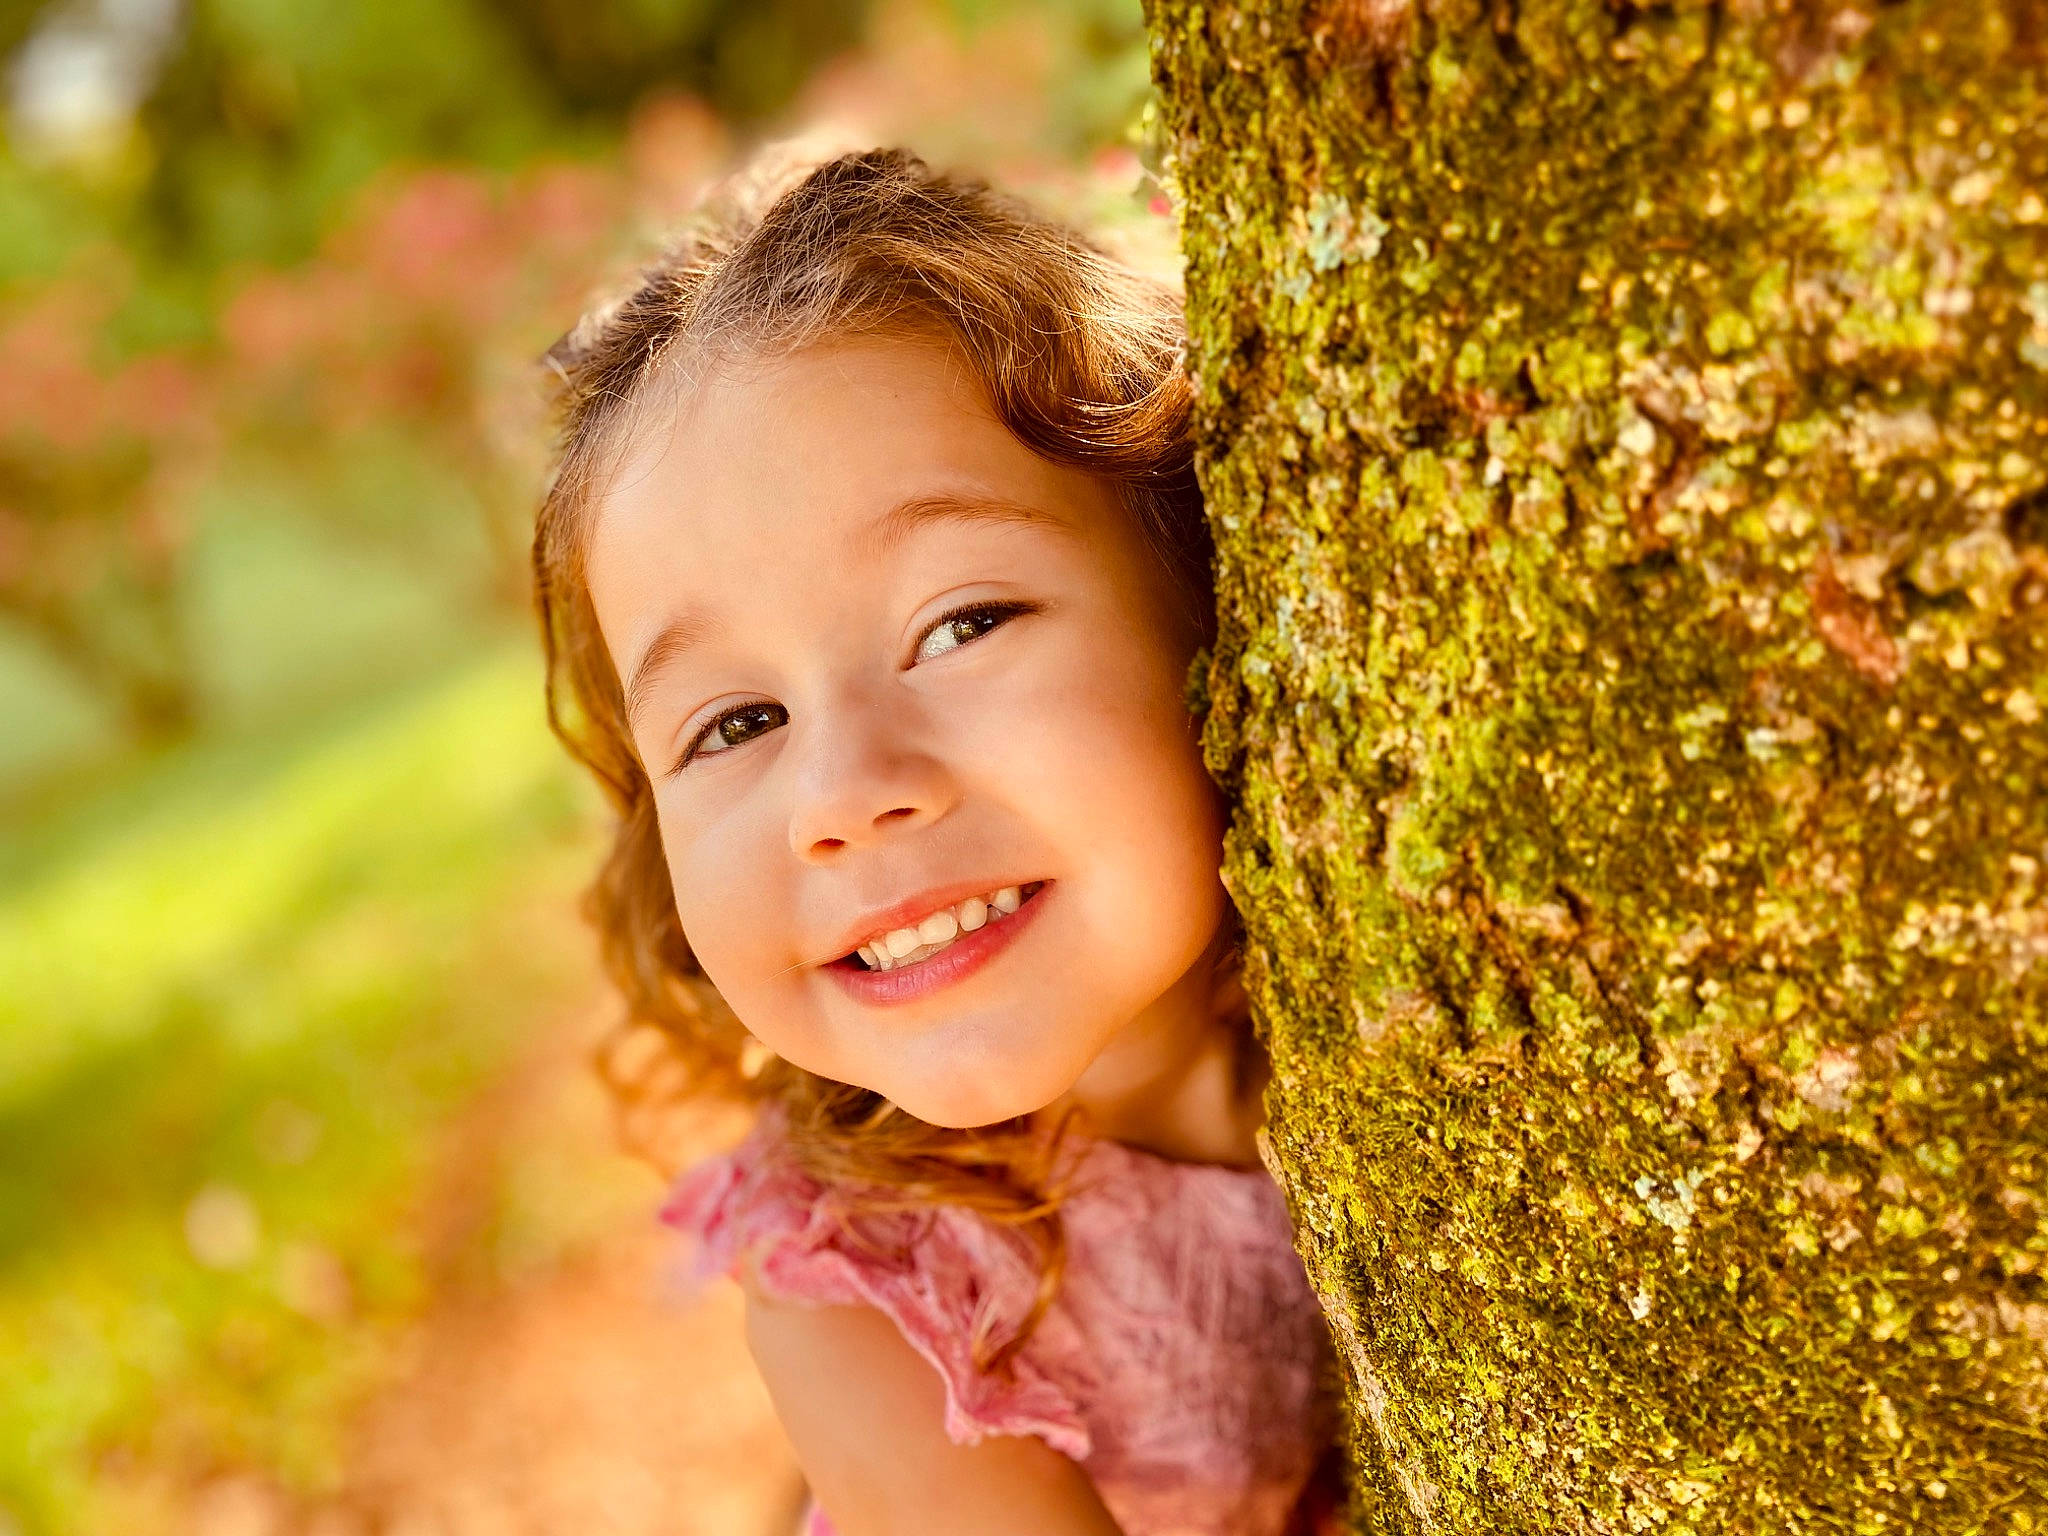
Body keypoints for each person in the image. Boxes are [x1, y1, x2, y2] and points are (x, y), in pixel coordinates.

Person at [531, 144, 1340, 1536]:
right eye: (735, 723)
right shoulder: (863, 1298)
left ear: (1208, 598)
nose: (844, 793)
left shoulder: (1397, 1013)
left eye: (960, 624)